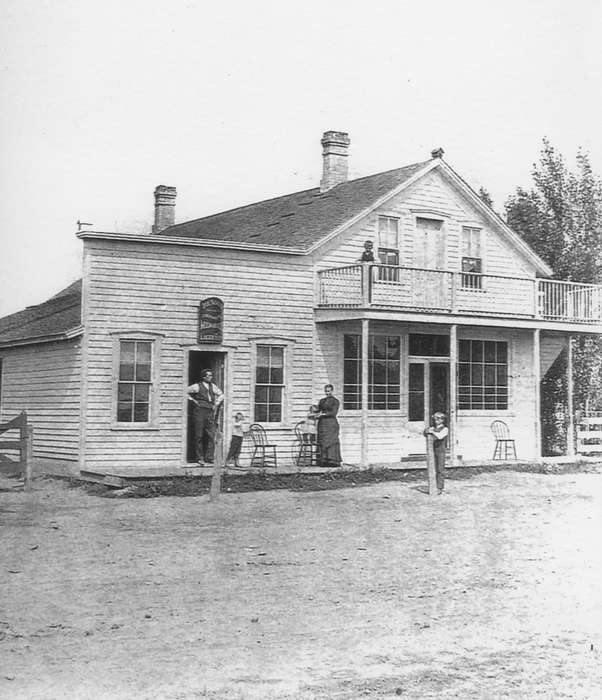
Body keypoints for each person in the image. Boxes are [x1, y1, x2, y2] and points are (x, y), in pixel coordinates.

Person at [187, 369, 223, 465]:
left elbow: (221, 395)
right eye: (209, 375)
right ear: (204, 377)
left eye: (211, 375)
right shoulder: (197, 386)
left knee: (212, 435)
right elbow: (184, 391)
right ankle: (200, 458)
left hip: (209, 412)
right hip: (199, 411)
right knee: (199, 435)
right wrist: (193, 401)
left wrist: (216, 403)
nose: (211, 377)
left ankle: (209, 457)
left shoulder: (213, 386)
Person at [316, 384, 342, 468]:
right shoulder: (322, 401)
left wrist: (323, 414)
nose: (327, 393)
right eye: (326, 391)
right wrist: (315, 412)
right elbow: (318, 410)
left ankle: (333, 461)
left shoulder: (335, 401)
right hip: (322, 423)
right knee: (323, 440)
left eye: (329, 391)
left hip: (331, 423)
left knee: (331, 441)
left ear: (332, 391)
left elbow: (333, 412)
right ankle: (324, 461)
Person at [424, 411, 448, 494]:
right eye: (435, 418)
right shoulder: (433, 428)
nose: (436, 420)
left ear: (442, 420)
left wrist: (432, 431)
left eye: (439, 419)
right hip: (432, 450)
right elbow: (425, 433)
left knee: (440, 469)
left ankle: (440, 488)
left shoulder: (445, 429)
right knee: (432, 468)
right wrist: (427, 430)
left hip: (441, 451)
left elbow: (440, 436)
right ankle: (433, 486)